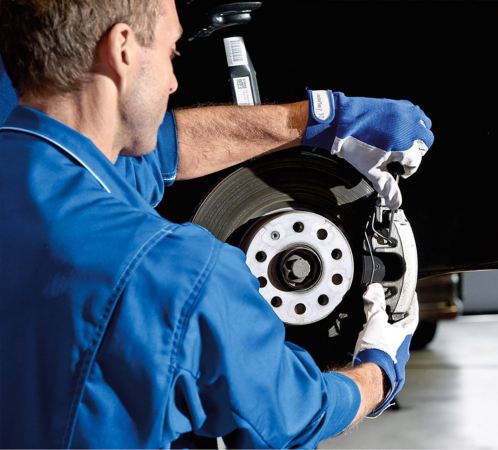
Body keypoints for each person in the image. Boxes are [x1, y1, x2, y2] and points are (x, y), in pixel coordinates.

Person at [0, 0, 433, 447]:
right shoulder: (177, 272)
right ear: (123, 49)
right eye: (171, 54)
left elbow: (163, 150)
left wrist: (319, 119)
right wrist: (377, 372)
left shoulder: (39, 177)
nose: (173, 82)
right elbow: (292, 415)